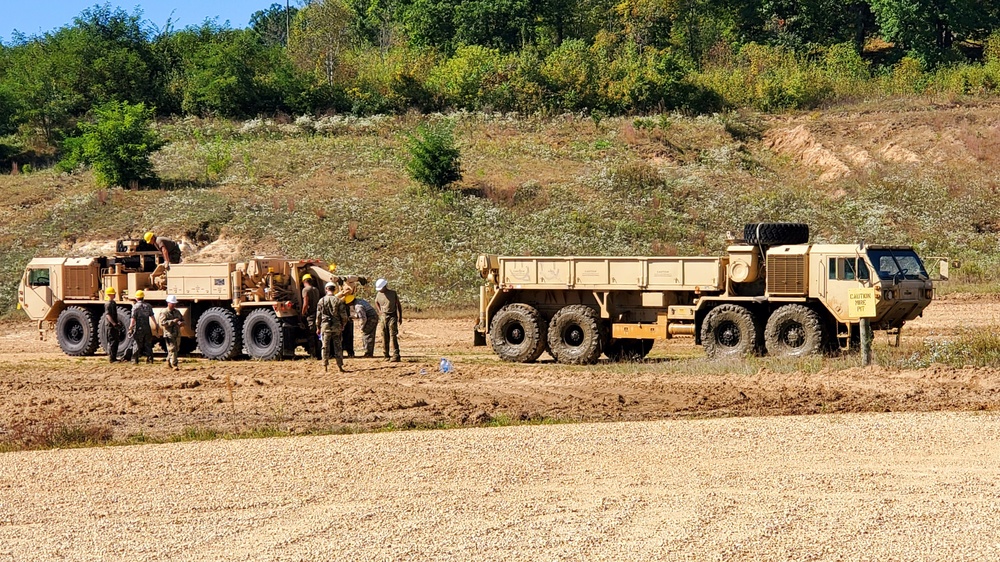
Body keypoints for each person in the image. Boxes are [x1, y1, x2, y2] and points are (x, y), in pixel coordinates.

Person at [316, 282, 349, 372]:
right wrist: (343, 325)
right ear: (334, 290)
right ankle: (340, 366)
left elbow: (318, 316)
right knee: (338, 346)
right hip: (336, 326)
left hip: (325, 326)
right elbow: (344, 316)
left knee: (325, 346)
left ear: (326, 289)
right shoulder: (338, 301)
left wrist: (318, 327)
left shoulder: (321, 301)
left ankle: (325, 366)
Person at [374, 278, 403, 362]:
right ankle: (386, 355)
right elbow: (376, 302)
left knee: (393, 335)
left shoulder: (392, 293)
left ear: (385, 286)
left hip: (392, 315)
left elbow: (398, 305)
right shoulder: (379, 294)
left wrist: (400, 316)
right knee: (384, 335)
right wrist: (379, 311)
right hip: (383, 316)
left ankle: (396, 355)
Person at [128, 290, 159, 365]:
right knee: (148, 344)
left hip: (138, 328)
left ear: (136, 298)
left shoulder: (135, 307)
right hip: (147, 328)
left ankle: (135, 360)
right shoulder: (148, 306)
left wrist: (130, 328)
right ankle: (150, 359)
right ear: (143, 297)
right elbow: (152, 316)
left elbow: (133, 319)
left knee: (137, 344)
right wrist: (156, 324)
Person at [157, 295, 184, 370]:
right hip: (169, 334)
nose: (174, 305)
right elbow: (162, 323)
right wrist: (172, 321)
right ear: (168, 303)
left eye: (174, 303)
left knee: (176, 349)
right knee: (172, 349)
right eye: (172, 303)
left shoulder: (177, 312)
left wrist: (181, 323)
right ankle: (174, 365)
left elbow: (182, 319)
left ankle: (168, 361)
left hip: (177, 333)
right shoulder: (164, 312)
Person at [300, 273, 321, 359]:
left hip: (310, 315)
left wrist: (302, 313)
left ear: (304, 281)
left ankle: (313, 354)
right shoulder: (316, 289)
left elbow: (305, 303)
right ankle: (319, 353)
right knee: (318, 334)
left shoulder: (305, 290)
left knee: (311, 334)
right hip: (317, 313)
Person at [103, 287, 123, 363]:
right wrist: (114, 324)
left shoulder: (113, 303)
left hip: (113, 325)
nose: (114, 295)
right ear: (109, 294)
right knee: (112, 341)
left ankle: (114, 357)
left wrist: (117, 323)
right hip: (110, 326)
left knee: (115, 341)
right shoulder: (108, 304)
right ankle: (112, 359)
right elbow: (108, 315)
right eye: (113, 293)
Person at [341, 289, 356, 358]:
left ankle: (348, 352)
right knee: (348, 338)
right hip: (347, 322)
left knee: (344, 338)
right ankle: (350, 353)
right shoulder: (346, 305)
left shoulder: (342, 305)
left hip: (344, 323)